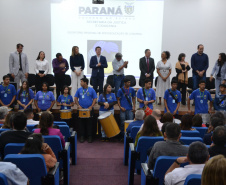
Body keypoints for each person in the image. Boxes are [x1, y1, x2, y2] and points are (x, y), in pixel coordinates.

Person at [74, 78, 97, 143]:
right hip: (81, 109)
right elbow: (75, 98)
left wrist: (91, 106)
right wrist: (78, 105)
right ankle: (82, 136)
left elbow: (95, 98)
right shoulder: (79, 90)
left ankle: (90, 136)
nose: (80, 83)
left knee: (89, 123)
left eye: (81, 81)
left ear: (85, 82)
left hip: (89, 109)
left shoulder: (91, 90)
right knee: (81, 123)